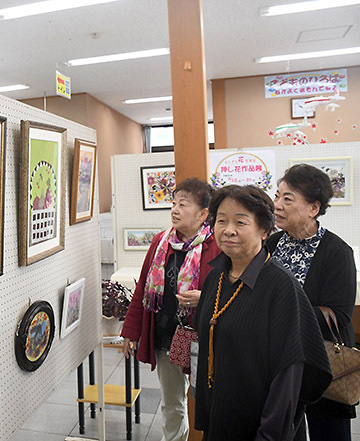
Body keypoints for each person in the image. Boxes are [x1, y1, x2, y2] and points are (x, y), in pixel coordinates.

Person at [194, 185, 331, 441]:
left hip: (261, 426)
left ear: (264, 230)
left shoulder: (281, 287)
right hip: (220, 415)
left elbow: (288, 376)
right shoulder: (216, 277)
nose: (228, 230)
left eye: (241, 222)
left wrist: (269, 434)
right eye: (221, 221)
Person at [121, 178, 221, 441]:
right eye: (174, 203)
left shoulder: (218, 246)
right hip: (167, 335)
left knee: (210, 400)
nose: (175, 210)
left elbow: (232, 293)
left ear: (203, 214)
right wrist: (131, 332)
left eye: (183, 205)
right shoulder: (160, 241)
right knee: (172, 403)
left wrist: (205, 298)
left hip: (206, 340)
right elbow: (143, 288)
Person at [267, 164, 357, 441]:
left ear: (313, 208)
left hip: (322, 360)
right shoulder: (271, 244)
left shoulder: (337, 251)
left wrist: (280, 312)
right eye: (277, 196)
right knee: (284, 430)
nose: (277, 205)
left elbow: (339, 315)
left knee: (328, 432)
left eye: (287, 199)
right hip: (278, 360)